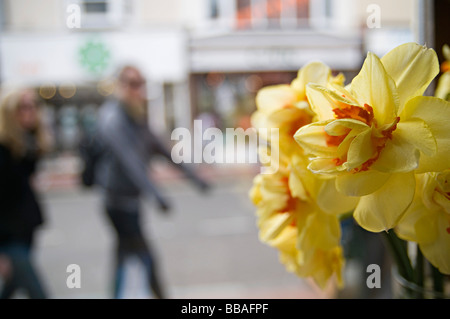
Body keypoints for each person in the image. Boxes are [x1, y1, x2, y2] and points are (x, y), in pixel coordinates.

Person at [94, 65, 209, 299]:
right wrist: (156, 195)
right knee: (145, 257)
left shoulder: (137, 116)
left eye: (140, 83)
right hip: (117, 203)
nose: (138, 89)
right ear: (119, 86)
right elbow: (129, 161)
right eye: (131, 83)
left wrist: (194, 178)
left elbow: (162, 149)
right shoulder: (112, 118)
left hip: (130, 202)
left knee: (124, 255)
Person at [0, 88, 50, 299]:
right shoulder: (3, 149)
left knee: (12, 286)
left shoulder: (25, 145)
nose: (30, 112)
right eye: (23, 106)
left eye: (33, 106)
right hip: (8, 239)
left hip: (24, 230)